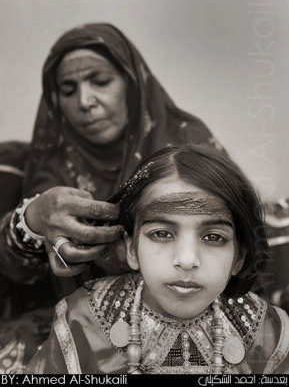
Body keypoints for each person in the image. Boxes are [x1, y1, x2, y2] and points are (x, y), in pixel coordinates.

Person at [26, 144, 289, 374]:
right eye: (162, 233)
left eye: (213, 237)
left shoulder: (266, 333)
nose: (187, 260)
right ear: (131, 249)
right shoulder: (84, 320)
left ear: (238, 258)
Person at [0, 23, 217, 299]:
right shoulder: (53, 162)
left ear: (132, 84)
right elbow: (16, 271)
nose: (84, 101)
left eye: (100, 82)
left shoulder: (187, 142)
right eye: (68, 90)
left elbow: (234, 241)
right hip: (81, 321)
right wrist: (32, 220)